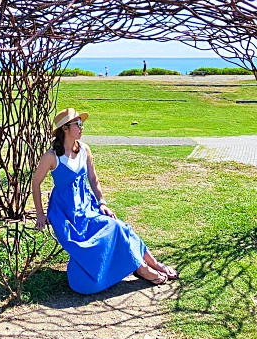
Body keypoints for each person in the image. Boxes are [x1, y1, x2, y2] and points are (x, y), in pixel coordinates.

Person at [31, 107, 178, 293]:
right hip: (67, 213)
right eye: (78, 124)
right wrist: (40, 214)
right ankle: (141, 268)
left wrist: (102, 202)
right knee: (115, 228)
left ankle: (154, 264)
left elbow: (93, 179)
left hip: (87, 205)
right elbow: (36, 183)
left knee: (121, 227)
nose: (82, 127)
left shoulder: (84, 149)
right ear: (66, 129)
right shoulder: (52, 156)